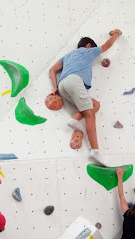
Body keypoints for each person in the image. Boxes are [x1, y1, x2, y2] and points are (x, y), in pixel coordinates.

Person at [48, 30, 122, 166]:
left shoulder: (68, 56)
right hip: (76, 82)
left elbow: (52, 70)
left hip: (63, 86)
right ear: (88, 46)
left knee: (95, 105)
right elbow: (107, 45)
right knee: (90, 115)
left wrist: (55, 87)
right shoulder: (89, 52)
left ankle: (75, 119)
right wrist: (116, 34)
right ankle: (95, 151)